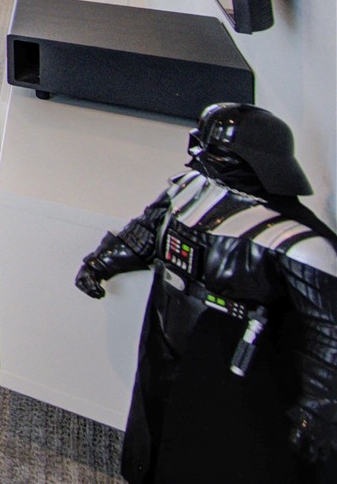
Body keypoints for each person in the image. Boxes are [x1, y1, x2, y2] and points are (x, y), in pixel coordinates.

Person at [77, 103, 337, 483]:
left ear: (253, 161)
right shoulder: (189, 192)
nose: (197, 156)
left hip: (231, 361)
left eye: (211, 150)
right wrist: (101, 263)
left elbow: (328, 331)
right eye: (197, 144)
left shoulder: (296, 243)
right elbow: (147, 232)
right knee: (155, 425)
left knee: (213, 450)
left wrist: (317, 408)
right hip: (166, 335)